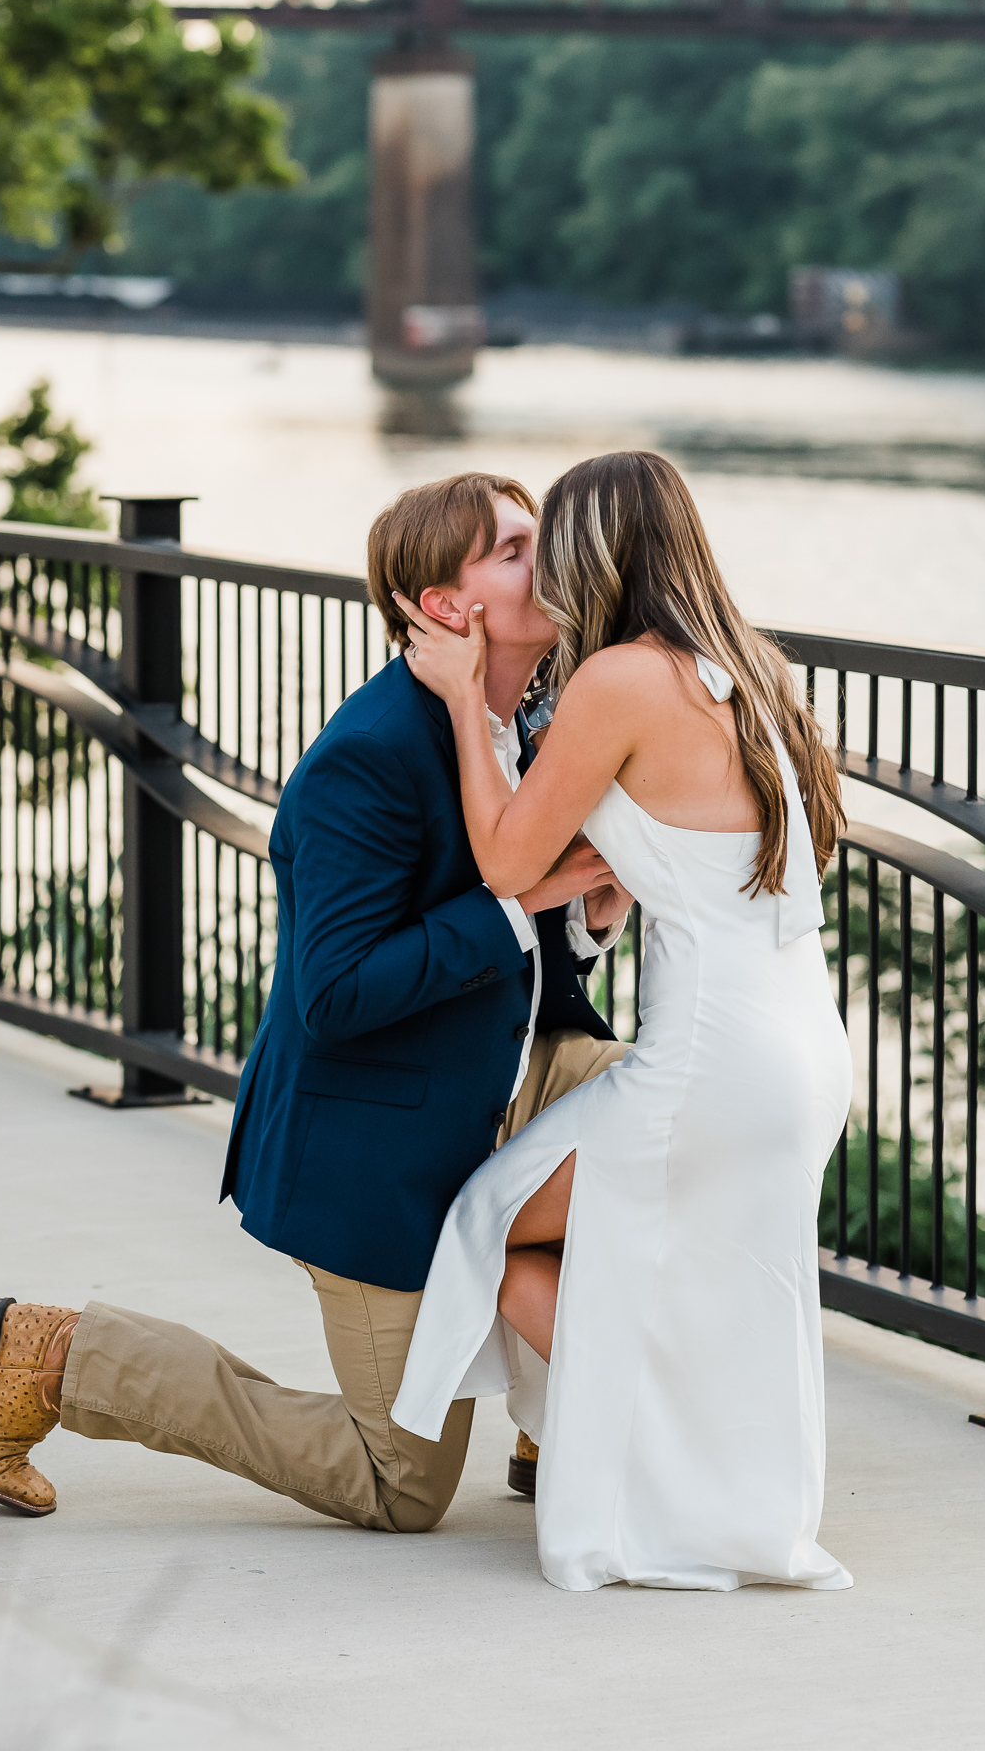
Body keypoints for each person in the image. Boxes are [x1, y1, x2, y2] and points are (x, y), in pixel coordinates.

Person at [0, 471, 630, 1531]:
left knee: (687, 1126)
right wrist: (515, 901)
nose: (546, 557)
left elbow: (538, 945)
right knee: (397, 1487)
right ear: (448, 608)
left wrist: (589, 910)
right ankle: (58, 1355)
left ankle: (556, 1421)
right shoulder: (366, 759)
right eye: (511, 548)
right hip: (377, 1144)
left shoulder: (526, 722)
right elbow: (334, 993)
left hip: (506, 1074)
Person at [389, 450, 855, 1593]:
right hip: (800, 1045)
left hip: (704, 1063)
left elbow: (505, 858)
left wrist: (458, 696)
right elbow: (662, 859)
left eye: (549, 540)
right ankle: (704, 1487)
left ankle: (641, 1477)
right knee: (720, 1283)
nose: (540, 562)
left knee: (490, 1225)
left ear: (593, 550)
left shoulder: (618, 681)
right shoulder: (750, 669)